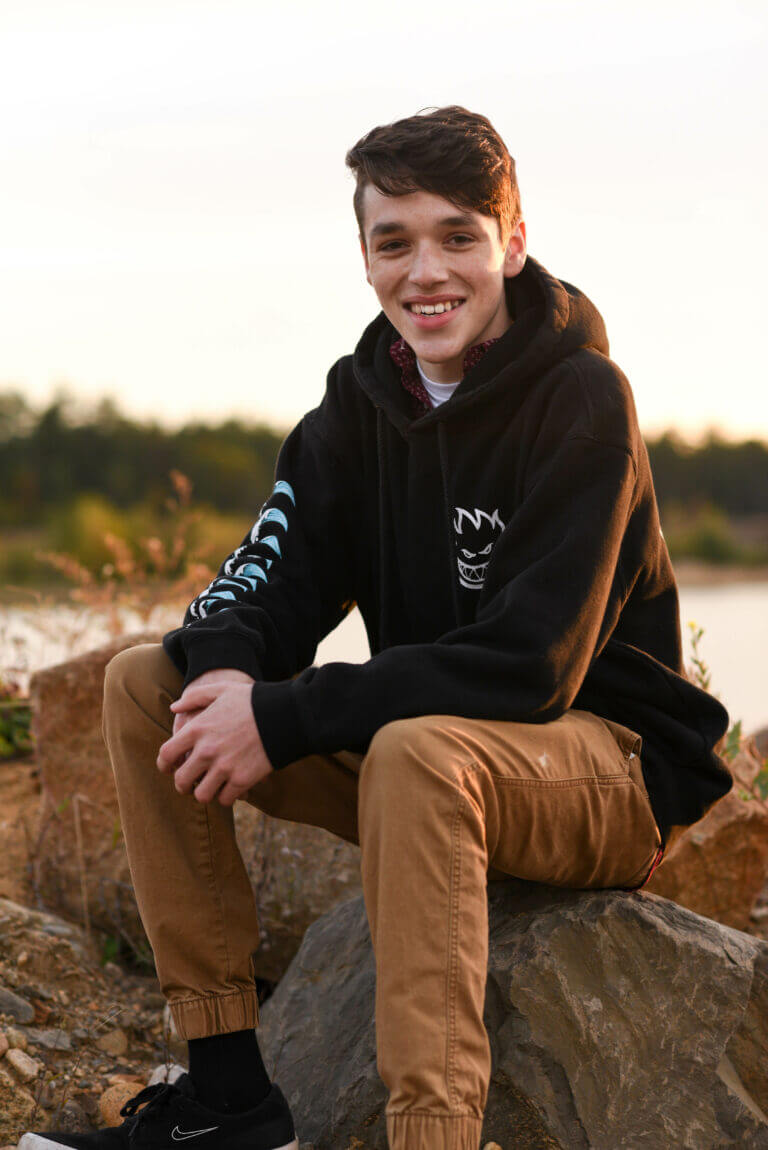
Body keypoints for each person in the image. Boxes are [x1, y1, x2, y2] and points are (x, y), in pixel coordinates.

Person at [22, 106, 732, 1150]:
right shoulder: (355, 411)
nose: (426, 271)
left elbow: (533, 664)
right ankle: (226, 1101)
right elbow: (260, 581)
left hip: (607, 770)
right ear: (363, 257)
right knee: (144, 680)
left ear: (513, 242)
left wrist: (289, 711)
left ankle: (433, 1134)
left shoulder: (583, 397)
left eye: (458, 236)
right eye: (393, 241)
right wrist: (227, 673)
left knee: (414, 747)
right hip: (442, 763)